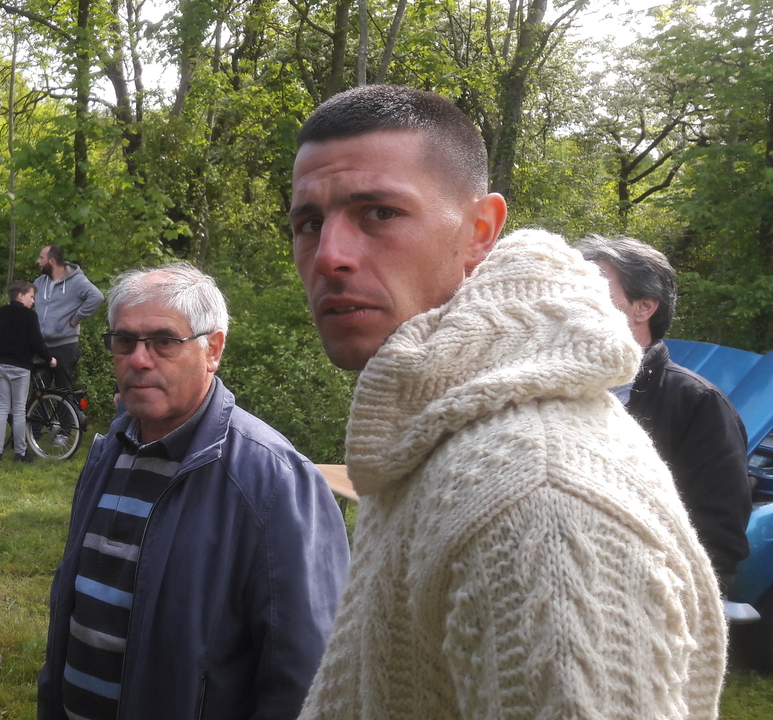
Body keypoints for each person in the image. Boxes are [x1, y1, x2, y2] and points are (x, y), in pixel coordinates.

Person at [290, 85, 725, 719]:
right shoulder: (432, 428)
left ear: (480, 232)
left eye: (380, 212)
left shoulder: (541, 493)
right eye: (309, 224)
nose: (330, 255)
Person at [37, 263, 350, 720]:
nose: (139, 359)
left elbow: (306, 676)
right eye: (125, 341)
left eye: (164, 341)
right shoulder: (109, 452)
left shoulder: (274, 483)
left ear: (213, 349)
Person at [578, 235, 752, 594]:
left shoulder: (698, 403)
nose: (572, 299)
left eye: (592, 287)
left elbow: (717, 541)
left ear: (643, 308)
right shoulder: (552, 390)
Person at [0, 280, 56, 463]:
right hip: (21, 368)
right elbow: (37, 342)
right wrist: (49, 359)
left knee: (2, 408)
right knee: (19, 410)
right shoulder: (29, 316)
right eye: (31, 296)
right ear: (21, 296)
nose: (33, 301)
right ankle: (20, 453)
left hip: (1, 365)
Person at [33, 244, 104, 390]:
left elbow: (97, 296)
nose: (38, 261)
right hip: (42, 346)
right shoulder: (39, 282)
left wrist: (77, 317)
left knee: (63, 390)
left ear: (52, 261)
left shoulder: (77, 281)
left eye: (41, 258)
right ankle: (41, 407)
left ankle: (67, 407)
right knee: (39, 390)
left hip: (64, 346)